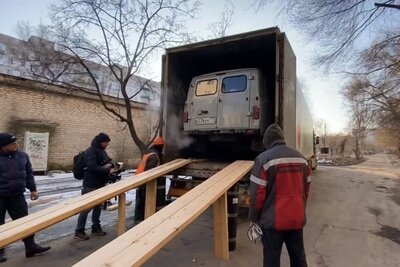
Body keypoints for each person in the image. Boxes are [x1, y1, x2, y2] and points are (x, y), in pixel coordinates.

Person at [248, 123, 311, 267]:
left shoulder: (263, 160)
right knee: (299, 259)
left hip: (272, 223)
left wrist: (254, 218)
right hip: (296, 219)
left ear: (267, 141)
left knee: (271, 260)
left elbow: (256, 195)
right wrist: (299, 208)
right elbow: (306, 189)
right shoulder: (301, 159)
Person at [0, 133, 51, 262]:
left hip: (17, 195)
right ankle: (0, 251)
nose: (15, 145)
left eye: (15, 142)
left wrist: (33, 189)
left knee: (24, 222)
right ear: (3, 147)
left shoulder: (22, 156)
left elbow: (29, 174)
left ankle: (30, 247)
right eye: (12, 144)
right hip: (1, 196)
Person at [74, 133, 115, 241]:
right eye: (105, 142)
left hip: (100, 183)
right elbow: (92, 167)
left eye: (107, 142)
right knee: (86, 208)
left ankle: (95, 227)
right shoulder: (90, 151)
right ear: (100, 142)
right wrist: (106, 168)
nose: (107, 144)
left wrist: (112, 164)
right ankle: (79, 230)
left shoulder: (102, 151)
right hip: (90, 184)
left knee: (98, 206)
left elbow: (110, 161)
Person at [134, 136, 164, 222]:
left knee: (140, 200)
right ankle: (142, 219)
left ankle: (139, 218)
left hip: (139, 178)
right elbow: (149, 172)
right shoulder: (154, 156)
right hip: (144, 180)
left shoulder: (148, 152)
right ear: (161, 146)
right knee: (143, 201)